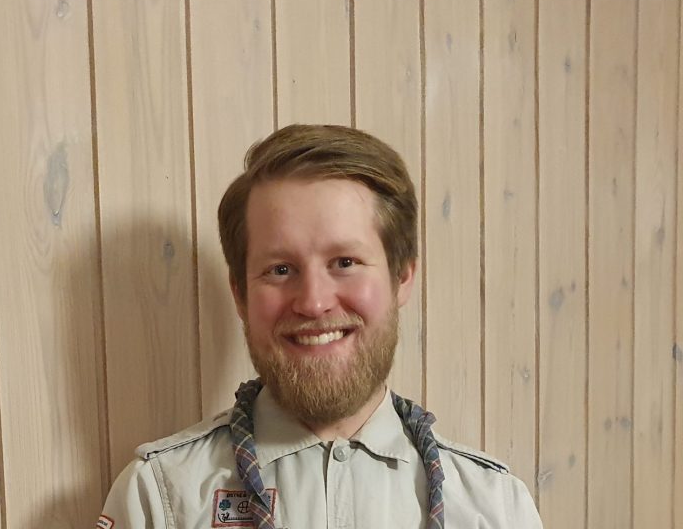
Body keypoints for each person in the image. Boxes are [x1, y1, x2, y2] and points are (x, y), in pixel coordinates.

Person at [98, 124, 543, 529]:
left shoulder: (497, 508)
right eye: (279, 269)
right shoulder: (156, 498)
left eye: (344, 262)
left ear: (402, 276)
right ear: (240, 293)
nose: (313, 303)